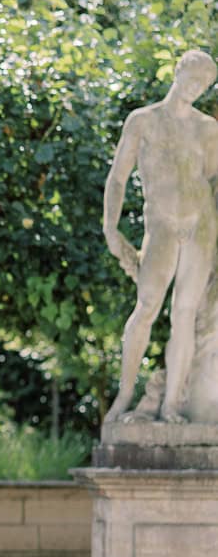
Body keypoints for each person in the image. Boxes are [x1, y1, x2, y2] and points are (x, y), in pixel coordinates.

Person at [104, 48, 218, 423]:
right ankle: (123, 395)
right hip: (162, 225)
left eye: (205, 84)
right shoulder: (144, 120)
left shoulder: (207, 128)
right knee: (147, 307)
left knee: (185, 313)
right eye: (193, 77)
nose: (197, 87)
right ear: (178, 71)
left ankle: (171, 405)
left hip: (200, 226)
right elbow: (118, 177)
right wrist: (110, 226)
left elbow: (212, 178)